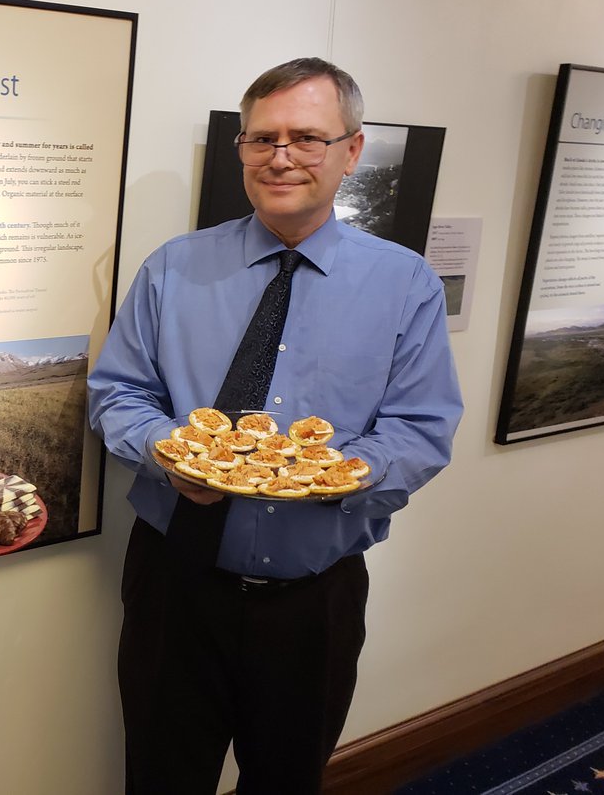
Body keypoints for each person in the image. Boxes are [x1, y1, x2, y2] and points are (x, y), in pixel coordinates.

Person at [88, 58, 463, 794]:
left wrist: (332, 476)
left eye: (306, 138)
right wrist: (169, 457)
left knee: (287, 781)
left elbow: (421, 431)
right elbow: (117, 394)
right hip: (177, 581)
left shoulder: (404, 284)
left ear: (351, 151)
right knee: (161, 776)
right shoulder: (173, 268)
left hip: (311, 596)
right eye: (262, 139)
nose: (281, 157)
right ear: (242, 150)